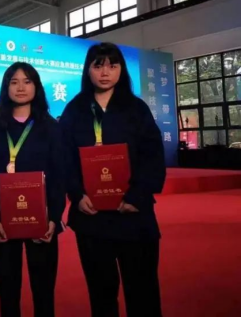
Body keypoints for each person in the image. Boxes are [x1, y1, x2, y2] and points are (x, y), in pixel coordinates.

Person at [60, 42, 166, 318]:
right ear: (88, 70)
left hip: (133, 215)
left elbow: (153, 155)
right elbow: (64, 158)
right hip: (92, 218)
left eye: (112, 65)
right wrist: (76, 195)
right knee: (101, 294)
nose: (105, 72)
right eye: (98, 66)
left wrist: (137, 196)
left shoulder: (136, 108)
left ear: (121, 70)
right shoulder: (74, 110)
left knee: (142, 291)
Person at [0, 62, 66, 318]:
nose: (20, 87)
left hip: (42, 222)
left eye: (27, 81)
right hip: (3, 222)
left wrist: (54, 217)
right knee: (8, 292)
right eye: (14, 82)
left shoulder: (50, 127)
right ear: (5, 87)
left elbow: (59, 176)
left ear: (36, 87)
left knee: (44, 291)